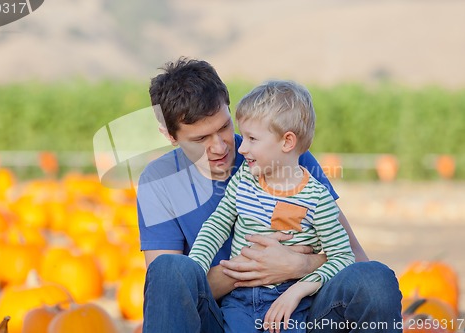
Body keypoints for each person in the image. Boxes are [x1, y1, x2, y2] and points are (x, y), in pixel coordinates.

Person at [138, 57, 402, 333]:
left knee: (374, 278)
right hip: (222, 318)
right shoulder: (157, 182)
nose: (220, 147)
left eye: (224, 127)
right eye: (200, 139)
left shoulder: (282, 155)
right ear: (170, 135)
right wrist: (252, 267)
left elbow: (354, 257)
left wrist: (301, 264)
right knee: (169, 268)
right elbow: (173, 293)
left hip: (298, 312)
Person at [188, 80, 356, 333]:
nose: (242, 148)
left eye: (252, 138)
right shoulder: (245, 178)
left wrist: (299, 289)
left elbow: (343, 257)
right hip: (239, 300)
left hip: (291, 303)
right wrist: (196, 268)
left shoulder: (317, 199)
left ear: (287, 142)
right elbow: (218, 223)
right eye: (243, 136)